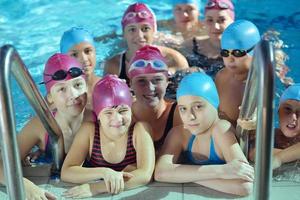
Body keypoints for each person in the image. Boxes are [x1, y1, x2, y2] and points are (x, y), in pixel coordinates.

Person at [0, 53, 93, 199]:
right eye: (61, 89)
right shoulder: (40, 125)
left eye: (77, 85)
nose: (73, 94)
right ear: (50, 97)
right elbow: (3, 162)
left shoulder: (98, 119)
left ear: (86, 86)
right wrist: (25, 186)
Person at [155, 72, 253, 196]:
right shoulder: (179, 133)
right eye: (183, 109)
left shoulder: (221, 129)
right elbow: (160, 173)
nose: (190, 116)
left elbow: (244, 186)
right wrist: (221, 171)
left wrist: (185, 175)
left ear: (214, 104)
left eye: (198, 106)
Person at [61, 75, 155, 198]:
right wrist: (105, 173)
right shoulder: (89, 131)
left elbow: (145, 175)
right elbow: (67, 171)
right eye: (108, 112)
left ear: (131, 108)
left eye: (123, 111)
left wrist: (97, 188)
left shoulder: (140, 130)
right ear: (98, 114)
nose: (117, 119)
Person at [103, 2, 189, 85]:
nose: (140, 36)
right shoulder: (114, 66)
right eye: (132, 29)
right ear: (124, 34)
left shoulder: (174, 60)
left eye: (145, 28)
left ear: (154, 31)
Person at [128, 45, 183, 154]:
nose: (150, 88)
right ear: (130, 84)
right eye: (141, 81)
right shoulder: (124, 115)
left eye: (157, 80)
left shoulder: (179, 113)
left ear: (167, 82)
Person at [239, 84, 300, 169]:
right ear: (278, 112)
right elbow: (253, 152)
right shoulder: (271, 135)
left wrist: (279, 158)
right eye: (288, 109)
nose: (293, 117)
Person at [215, 20, 261, 127]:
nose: (230, 59)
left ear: (254, 52)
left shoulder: (263, 82)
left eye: (237, 53)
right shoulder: (222, 77)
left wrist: (258, 120)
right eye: (225, 53)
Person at [181, 0, 235, 78]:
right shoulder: (191, 45)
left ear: (232, 22)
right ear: (204, 22)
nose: (215, 26)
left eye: (222, 20)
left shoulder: (240, 51)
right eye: (210, 20)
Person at [60, 27, 101, 109]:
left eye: (87, 51)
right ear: (64, 60)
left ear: (95, 51)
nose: (84, 59)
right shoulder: (60, 95)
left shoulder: (107, 85)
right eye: (74, 55)